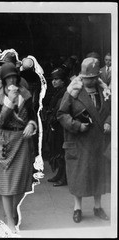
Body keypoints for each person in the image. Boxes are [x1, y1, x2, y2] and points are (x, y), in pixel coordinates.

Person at [57, 57, 111, 223]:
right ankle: (77, 208)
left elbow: (111, 110)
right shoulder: (72, 92)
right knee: (79, 176)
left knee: (98, 175)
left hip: (98, 142)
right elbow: (61, 114)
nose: (92, 81)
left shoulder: (105, 92)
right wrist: (77, 126)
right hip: (79, 141)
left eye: (95, 78)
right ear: (82, 76)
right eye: (88, 78)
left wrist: (109, 121)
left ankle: (97, 206)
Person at [0, 62, 37, 232]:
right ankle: (10, 219)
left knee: (22, 183)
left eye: (14, 77)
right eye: (8, 77)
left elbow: (32, 114)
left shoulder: (26, 94)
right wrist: (9, 102)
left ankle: (11, 210)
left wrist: (31, 125)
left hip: (22, 140)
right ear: (3, 80)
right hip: (5, 140)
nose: (12, 80)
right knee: (6, 183)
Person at [46, 68, 69, 187]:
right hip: (55, 125)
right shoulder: (58, 92)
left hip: (60, 126)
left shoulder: (65, 92)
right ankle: (60, 174)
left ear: (63, 81)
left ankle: (64, 177)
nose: (53, 82)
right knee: (57, 150)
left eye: (56, 79)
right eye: (53, 79)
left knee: (61, 151)